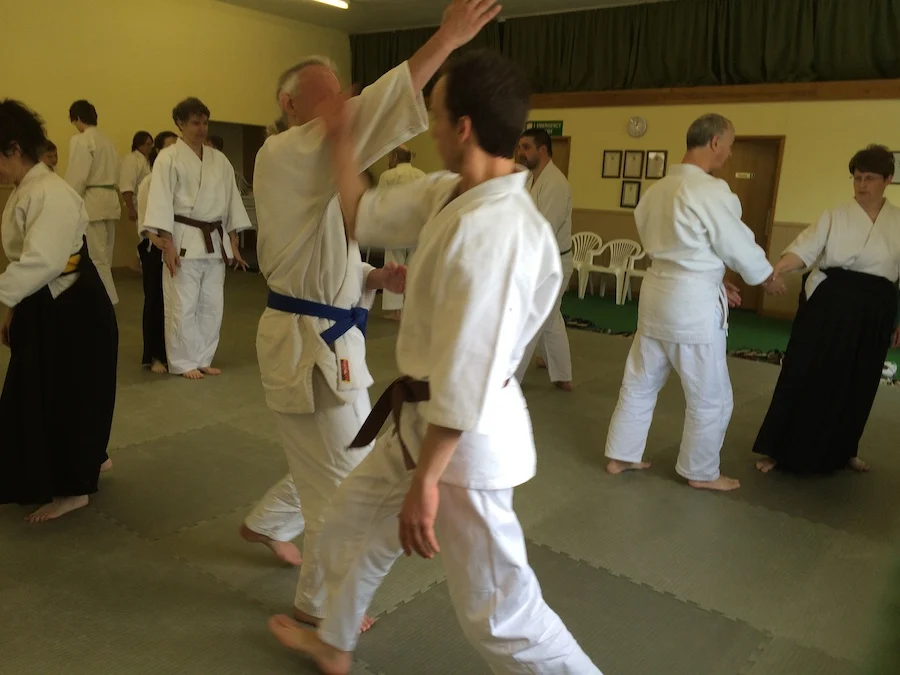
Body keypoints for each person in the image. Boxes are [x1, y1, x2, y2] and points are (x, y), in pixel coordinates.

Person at [267, 48, 602, 675]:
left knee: (498, 614)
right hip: (419, 420)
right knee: (349, 524)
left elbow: (469, 373)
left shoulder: (499, 232)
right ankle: (335, 643)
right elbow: (363, 215)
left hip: (465, 442)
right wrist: (342, 139)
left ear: (463, 127)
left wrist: (427, 481)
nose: (429, 127)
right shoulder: (453, 192)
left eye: (435, 115)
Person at [242, 0, 501, 639]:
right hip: (307, 343)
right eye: (324, 94)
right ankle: (319, 606)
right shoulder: (282, 153)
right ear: (289, 104)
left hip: (333, 338)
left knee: (346, 456)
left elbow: (319, 255)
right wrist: (445, 41)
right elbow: (373, 113)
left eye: (343, 91)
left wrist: (370, 277)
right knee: (340, 480)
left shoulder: (324, 166)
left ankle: (269, 525)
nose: (340, 103)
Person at [603, 113, 785, 492]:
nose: (729, 154)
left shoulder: (657, 190)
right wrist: (766, 276)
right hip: (691, 306)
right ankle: (701, 471)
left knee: (640, 381)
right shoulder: (709, 190)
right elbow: (733, 241)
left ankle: (622, 454)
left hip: (656, 295)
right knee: (710, 394)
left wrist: (714, 278)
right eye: (729, 146)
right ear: (715, 142)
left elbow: (683, 248)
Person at [0, 100, 118, 523]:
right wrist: (12, 307)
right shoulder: (29, 188)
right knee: (47, 389)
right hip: (50, 299)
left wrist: (6, 296)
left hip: (72, 306)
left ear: (14, 148)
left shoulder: (49, 192)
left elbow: (44, 261)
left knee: (68, 392)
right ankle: (90, 456)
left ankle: (73, 488)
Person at [753, 145, 900, 474]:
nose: (862, 184)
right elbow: (804, 250)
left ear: (888, 179)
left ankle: (845, 449)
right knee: (807, 371)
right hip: (832, 302)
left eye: (869, 178)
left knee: (861, 379)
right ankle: (780, 449)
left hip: (877, 307)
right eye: (857, 178)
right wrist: (777, 268)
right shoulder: (834, 215)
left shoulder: (898, 221)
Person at [142, 97, 251, 380]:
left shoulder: (219, 160)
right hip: (184, 239)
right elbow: (161, 201)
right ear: (180, 124)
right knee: (183, 303)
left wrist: (233, 242)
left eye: (204, 123)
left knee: (212, 305)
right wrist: (167, 244)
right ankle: (182, 361)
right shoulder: (168, 158)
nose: (201, 128)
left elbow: (232, 201)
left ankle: (203, 358)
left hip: (214, 243)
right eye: (195, 123)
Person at [515, 127, 574, 391]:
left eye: (526, 147)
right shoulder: (529, 179)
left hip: (553, 263)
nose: (521, 152)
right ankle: (562, 375)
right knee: (550, 319)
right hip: (537, 260)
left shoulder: (556, 184)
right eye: (520, 147)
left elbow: (544, 228)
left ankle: (510, 378)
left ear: (542, 150)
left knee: (532, 317)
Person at [64, 99, 121, 305]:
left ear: (78, 118)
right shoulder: (108, 141)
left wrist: (68, 203)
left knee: (97, 257)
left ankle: (106, 299)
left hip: (93, 202)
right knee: (106, 255)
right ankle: (105, 298)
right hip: (110, 200)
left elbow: (77, 176)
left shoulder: (82, 140)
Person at [136, 131, 178, 374]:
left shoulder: (178, 180)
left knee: (174, 301)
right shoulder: (149, 182)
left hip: (175, 246)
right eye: (168, 147)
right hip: (154, 248)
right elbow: (143, 219)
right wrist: (155, 238)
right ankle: (154, 356)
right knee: (155, 301)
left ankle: (173, 352)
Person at [378, 144, 425, 320]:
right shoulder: (421, 175)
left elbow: (380, 201)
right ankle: (410, 308)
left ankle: (395, 309)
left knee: (394, 264)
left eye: (390, 156)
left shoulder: (388, 176)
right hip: (416, 226)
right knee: (412, 266)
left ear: (396, 157)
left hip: (395, 225)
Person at [120, 130, 153, 222]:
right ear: (139, 145)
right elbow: (127, 186)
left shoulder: (146, 161)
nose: (150, 147)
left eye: (151, 144)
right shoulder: (132, 159)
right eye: (148, 144)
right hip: (138, 206)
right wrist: (131, 209)